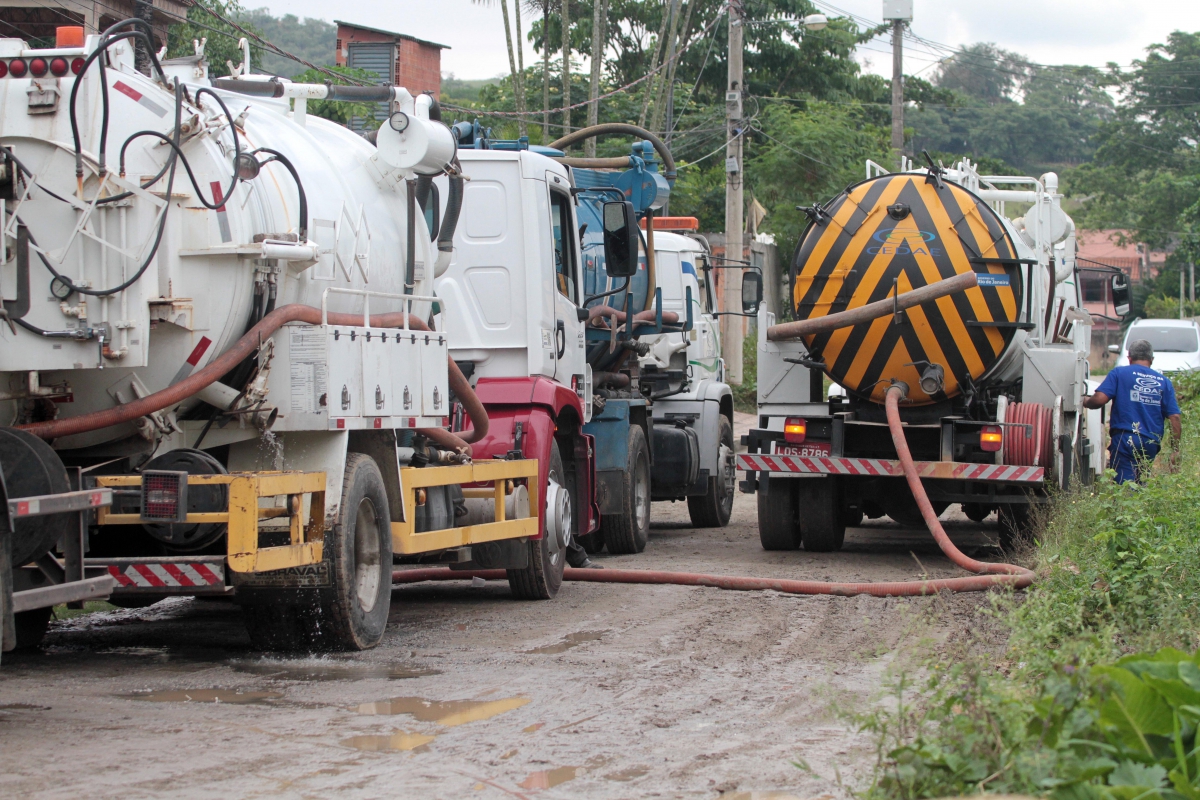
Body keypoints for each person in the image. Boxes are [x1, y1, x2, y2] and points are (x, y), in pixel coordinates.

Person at [1082, 339, 1181, 484]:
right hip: (1151, 442)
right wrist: (1175, 449)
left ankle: (1126, 499)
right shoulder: (1163, 381)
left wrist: (1085, 401)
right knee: (1141, 483)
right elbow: (1175, 417)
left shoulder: (1119, 373)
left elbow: (1099, 400)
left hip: (1126, 439)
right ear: (1151, 360)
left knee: (1124, 486)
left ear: (1129, 358)